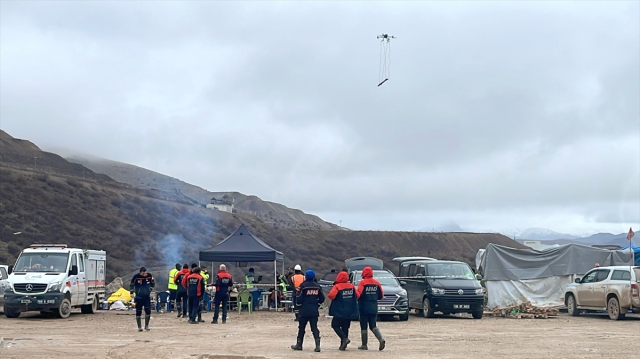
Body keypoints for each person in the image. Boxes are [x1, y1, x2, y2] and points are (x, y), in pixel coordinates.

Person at [291, 269, 324, 352]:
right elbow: (322, 298)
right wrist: (317, 304)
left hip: (304, 310)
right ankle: (317, 345)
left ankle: (299, 344)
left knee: (301, 328)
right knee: (314, 328)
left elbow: (299, 299)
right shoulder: (317, 286)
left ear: (306, 276)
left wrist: (299, 306)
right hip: (314, 310)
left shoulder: (303, 286)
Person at [328, 270, 359, 351]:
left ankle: (344, 339)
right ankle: (343, 345)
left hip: (339, 310)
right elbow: (357, 295)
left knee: (335, 325)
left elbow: (331, 296)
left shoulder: (337, 286)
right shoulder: (351, 286)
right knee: (345, 327)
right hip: (350, 310)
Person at [356, 266, 385, 351]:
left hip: (363, 306)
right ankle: (381, 339)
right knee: (373, 325)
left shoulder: (362, 283)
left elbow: (358, 294)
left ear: (363, 273)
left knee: (364, 325)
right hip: (373, 306)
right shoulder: (377, 283)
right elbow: (381, 295)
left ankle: (364, 345)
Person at [129, 267, 155, 332]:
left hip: (146, 296)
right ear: (141, 272)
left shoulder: (149, 276)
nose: (145, 274)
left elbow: (153, 283)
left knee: (148, 311)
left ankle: (146, 326)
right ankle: (139, 327)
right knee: (138, 312)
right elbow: (132, 284)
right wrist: (131, 291)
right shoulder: (136, 277)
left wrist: (150, 289)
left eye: (145, 273)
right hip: (138, 297)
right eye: (143, 273)